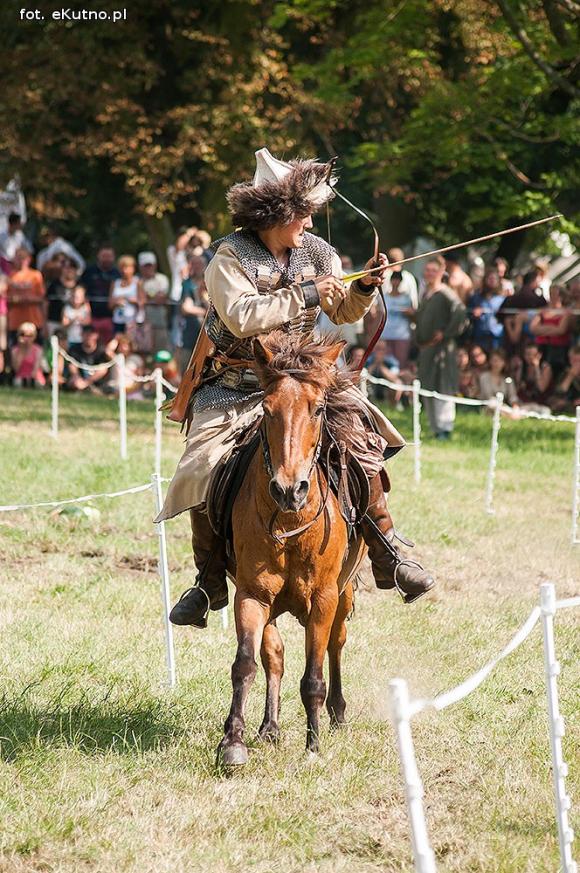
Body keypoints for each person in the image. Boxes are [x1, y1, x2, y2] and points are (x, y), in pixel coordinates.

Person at [158, 147, 435, 628]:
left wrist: (364, 287)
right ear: (277, 213)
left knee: (362, 440)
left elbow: (345, 312)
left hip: (301, 384)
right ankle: (207, 582)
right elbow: (242, 317)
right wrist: (306, 293)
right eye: (302, 215)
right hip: (232, 385)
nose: (308, 224)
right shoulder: (229, 256)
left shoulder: (320, 253)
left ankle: (388, 551)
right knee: (199, 469)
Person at [415, 255, 467, 439]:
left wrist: (445, 333)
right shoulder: (427, 293)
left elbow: (461, 313)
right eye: (427, 270)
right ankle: (436, 428)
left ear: (440, 272)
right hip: (427, 348)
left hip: (443, 349)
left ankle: (445, 428)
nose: (429, 273)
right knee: (428, 386)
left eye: (433, 270)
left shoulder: (446, 293)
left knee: (443, 386)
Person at [529, 285, 574, 379]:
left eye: (555, 294)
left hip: (559, 349)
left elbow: (561, 330)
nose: (552, 296)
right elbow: (533, 328)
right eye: (551, 294)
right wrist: (552, 328)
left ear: (561, 296)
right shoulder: (543, 311)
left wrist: (542, 328)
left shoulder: (566, 312)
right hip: (542, 346)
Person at [80, 245, 121, 343]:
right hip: (91, 316)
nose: (106, 259)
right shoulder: (89, 271)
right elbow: (81, 289)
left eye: (109, 256)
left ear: (114, 257)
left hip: (111, 318)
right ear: (98, 256)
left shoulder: (117, 273)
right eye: (104, 256)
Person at [7, 248, 46, 343]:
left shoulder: (36, 275)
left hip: (34, 320)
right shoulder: (9, 276)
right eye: (18, 257)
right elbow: (6, 298)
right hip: (15, 322)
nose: (21, 260)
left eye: (23, 258)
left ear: (29, 259)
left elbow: (42, 298)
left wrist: (27, 299)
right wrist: (15, 300)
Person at [380, 269, 415, 368]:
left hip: (402, 335)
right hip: (386, 333)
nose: (395, 282)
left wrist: (409, 313)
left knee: (401, 363)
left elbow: (413, 315)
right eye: (394, 280)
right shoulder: (385, 297)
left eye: (397, 280)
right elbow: (380, 315)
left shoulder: (406, 298)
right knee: (386, 362)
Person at [179, 254, 208, 373]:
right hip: (191, 329)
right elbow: (185, 308)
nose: (197, 267)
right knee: (186, 360)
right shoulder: (187, 283)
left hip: (207, 329)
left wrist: (202, 297)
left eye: (199, 264)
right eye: (194, 264)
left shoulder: (209, 281)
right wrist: (204, 311)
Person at [138, 251, 170, 353]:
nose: (148, 268)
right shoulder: (137, 280)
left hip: (159, 323)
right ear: (140, 266)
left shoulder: (162, 279)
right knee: (142, 352)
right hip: (140, 325)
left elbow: (160, 299)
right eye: (145, 266)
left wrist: (145, 296)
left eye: (150, 265)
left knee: (161, 352)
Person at [469, 268, 504, 351]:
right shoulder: (476, 298)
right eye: (490, 279)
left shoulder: (502, 299)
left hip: (497, 336)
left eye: (494, 279)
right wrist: (474, 314)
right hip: (480, 336)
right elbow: (469, 315)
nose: (492, 281)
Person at [67, 325, 111, 392]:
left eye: (90, 334)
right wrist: (77, 378)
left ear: (96, 335)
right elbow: (72, 366)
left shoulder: (101, 350)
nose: (88, 337)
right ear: (81, 334)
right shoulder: (74, 349)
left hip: (97, 382)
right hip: (79, 379)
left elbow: (103, 370)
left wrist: (86, 382)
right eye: (86, 334)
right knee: (72, 382)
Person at [513, 342, 553, 412]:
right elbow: (517, 387)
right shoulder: (522, 366)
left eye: (534, 355)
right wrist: (519, 369)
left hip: (540, 403)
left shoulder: (545, 367)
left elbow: (541, 388)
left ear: (539, 355)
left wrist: (536, 368)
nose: (530, 357)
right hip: (524, 402)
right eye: (528, 354)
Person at [478, 348, 519, 416]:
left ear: (504, 363)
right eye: (495, 360)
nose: (497, 363)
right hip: (488, 407)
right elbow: (488, 397)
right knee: (493, 403)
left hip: (505, 407)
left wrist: (515, 406)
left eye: (500, 361)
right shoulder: (484, 377)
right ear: (490, 361)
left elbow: (512, 397)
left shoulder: (507, 379)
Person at [45, 258, 79, 335]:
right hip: (54, 322)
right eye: (66, 267)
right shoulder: (53, 285)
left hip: (74, 325)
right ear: (62, 269)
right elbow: (45, 304)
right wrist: (45, 323)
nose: (69, 270)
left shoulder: (80, 285)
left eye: (72, 267)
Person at [108, 255, 141, 335]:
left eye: (127, 267)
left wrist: (133, 301)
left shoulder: (137, 283)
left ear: (133, 268)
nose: (125, 270)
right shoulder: (115, 283)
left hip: (132, 321)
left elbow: (142, 302)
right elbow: (109, 305)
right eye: (122, 267)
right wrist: (116, 302)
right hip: (118, 320)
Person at [10, 322, 45, 387]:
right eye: (23, 334)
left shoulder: (38, 350)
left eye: (30, 335)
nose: (26, 338)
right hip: (20, 378)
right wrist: (22, 350)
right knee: (18, 382)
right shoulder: (15, 350)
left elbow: (35, 370)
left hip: (35, 378)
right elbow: (16, 369)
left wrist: (29, 380)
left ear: (34, 336)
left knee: (37, 383)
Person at [62, 284, 92, 356]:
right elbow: (64, 324)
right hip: (70, 339)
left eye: (78, 297)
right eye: (74, 296)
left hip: (82, 341)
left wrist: (81, 320)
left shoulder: (86, 308)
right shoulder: (67, 308)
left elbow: (88, 322)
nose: (75, 299)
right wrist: (73, 320)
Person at [550, 344, 580, 413]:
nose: (576, 364)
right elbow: (559, 392)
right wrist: (570, 376)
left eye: (578, 360)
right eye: (573, 360)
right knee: (557, 403)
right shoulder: (565, 373)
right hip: (571, 403)